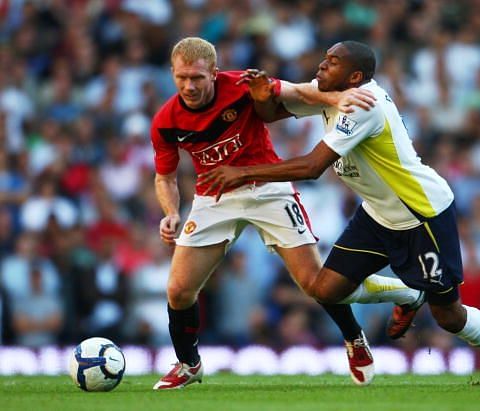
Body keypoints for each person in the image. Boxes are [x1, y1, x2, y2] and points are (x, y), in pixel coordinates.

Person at [199, 40, 480, 385]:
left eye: (333, 62)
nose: (323, 66)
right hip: (377, 213)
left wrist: (243, 172)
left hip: (421, 214)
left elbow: (312, 167)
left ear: (354, 76)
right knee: (325, 290)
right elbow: (270, 115)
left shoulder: (363, 105)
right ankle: (407, 293)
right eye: (325, 58)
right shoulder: (327, 91)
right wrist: (263, 95)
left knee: (447, 314)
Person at [150, 37, 424, 389]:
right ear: (172, 74)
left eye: (197, 78)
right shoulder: (165, 120)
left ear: (214, 73)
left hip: (269, 189)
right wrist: (170, 211)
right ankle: (189, 364)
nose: (189, 86)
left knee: (316, 284)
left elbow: (299, 92)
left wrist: (335, 97)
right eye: (182, 78)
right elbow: (165, 177)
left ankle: (354, 337)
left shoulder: (241, 84)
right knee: (178, 290)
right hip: (213, 196)